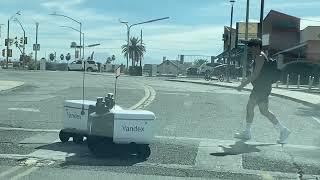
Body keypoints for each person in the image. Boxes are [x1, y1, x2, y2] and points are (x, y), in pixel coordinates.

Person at [235, 38, 290, 144]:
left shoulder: (260, 57)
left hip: (261, 88)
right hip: (264, 87)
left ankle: (247, 132)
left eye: (251, 47)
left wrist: (242, 85)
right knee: (264, 111)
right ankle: (283, 130)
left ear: (256, 47)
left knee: (250, 107)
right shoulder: (261, 56)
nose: (250, 49)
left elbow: (255, 75)